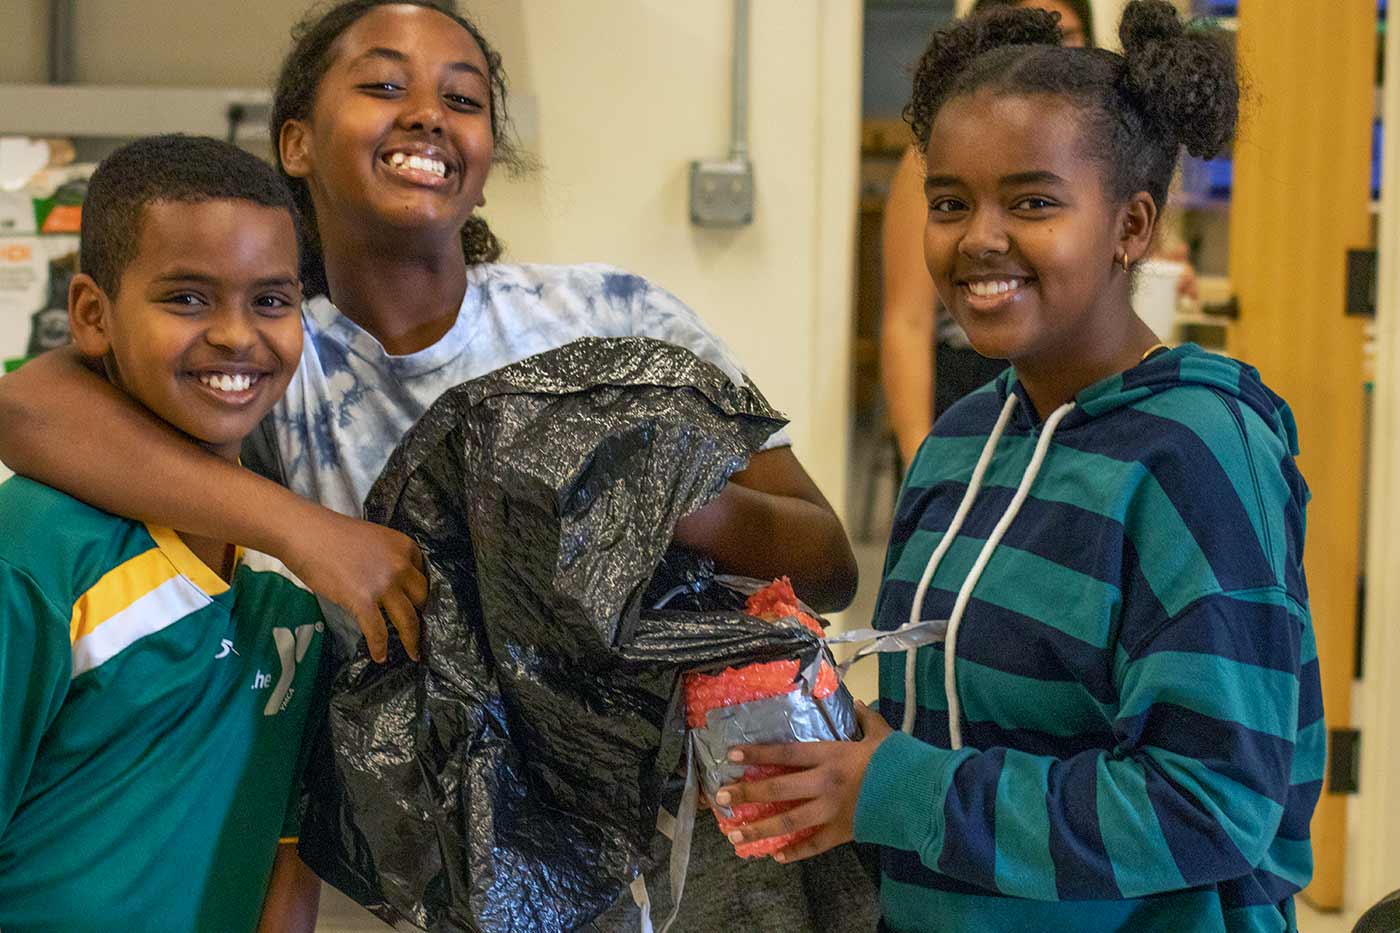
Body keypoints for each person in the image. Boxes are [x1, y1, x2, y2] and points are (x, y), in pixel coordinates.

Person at [0, 2, 868, 929]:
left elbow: (829, 563)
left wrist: (655, 500)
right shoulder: (276, 354)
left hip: (688, 857)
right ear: (295, 141)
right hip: (437, 887)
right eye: (382, 85)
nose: (426, 113)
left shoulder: (614, 316)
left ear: (486, 159)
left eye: (464, 97)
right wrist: (312, 532)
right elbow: (29, 409)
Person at [715, 4, 1324, 932]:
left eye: (1033, 202)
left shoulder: (1197, 457)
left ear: (1132, 226)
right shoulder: (961, 440)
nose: (979, 238)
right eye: (951, 201)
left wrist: (901, 789)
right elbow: (959, 720)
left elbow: (1212, 804)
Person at [0, 135, 325, 932]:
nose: (236, 335)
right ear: (91, 315)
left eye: (272, 301)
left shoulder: (296, 573)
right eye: (187, 298)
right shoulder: (37, 552)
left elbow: (290, 840)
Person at [881, 0, 1095, 467]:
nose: (1043, 56)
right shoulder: (931, 159)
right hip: (968, 384)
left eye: (1064, 37)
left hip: (1077, 402)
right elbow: (908, 322)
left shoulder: (1099, 160)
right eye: (953, 205)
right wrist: (922, 456)